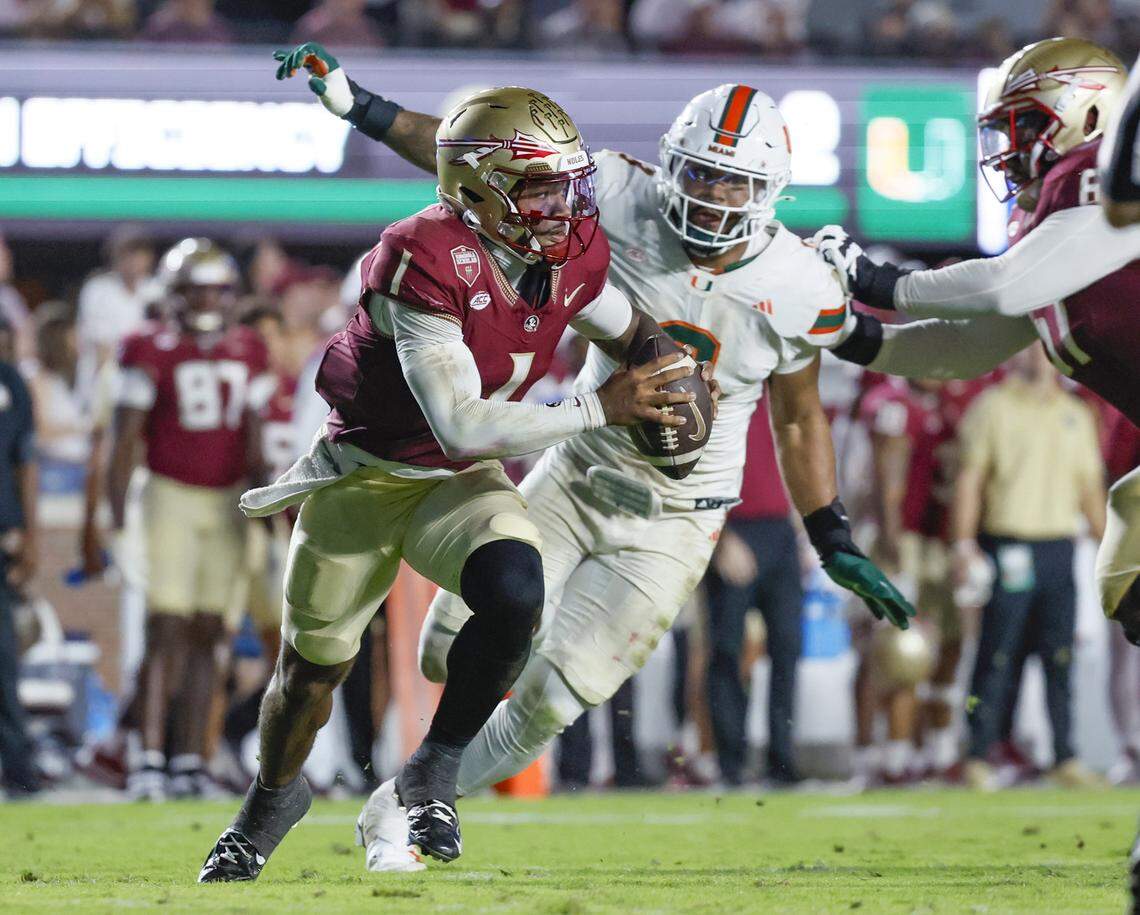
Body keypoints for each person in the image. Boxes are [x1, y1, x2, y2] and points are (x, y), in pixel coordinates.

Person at [270, 43, 913, 873]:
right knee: (445, 647)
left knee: (550, 701)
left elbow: (797, 419)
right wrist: (363, 106)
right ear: (671, 165)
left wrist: (831, 533)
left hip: (681, 515)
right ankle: (430, 764)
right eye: (701, 173)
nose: (713, 197)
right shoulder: (616, 190)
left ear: (771, 193)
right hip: (577, 469)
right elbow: (478, 154)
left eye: (734, 182)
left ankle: (405, 799)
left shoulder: (799, 282)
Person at [198, 84, 708, 881]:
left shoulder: (571, 256)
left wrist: (661, 359)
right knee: (308, 677)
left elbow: (629, 323)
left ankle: (434, 766)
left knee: (516, 591)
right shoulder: (423, 256)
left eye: (567, 183)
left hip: (456, 485)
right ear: (477, 188)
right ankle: (270, 800)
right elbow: (463, 424)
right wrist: (600, 406)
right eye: (539, 186)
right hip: (366, 479)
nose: (562, 203)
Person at [814, 37, 1140, 648]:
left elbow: (1000, 286)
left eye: (1027, 125)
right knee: (1128, 582)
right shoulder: (1059, 238)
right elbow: (970, 346)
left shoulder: (1108, 182)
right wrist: (855, 336)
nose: (1010, 149)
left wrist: (873, 279)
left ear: (1091, 117)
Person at [106, 238, 274, 802]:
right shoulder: (146, 346)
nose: (207, 299)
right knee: (165, 628)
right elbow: (125, 438)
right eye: (196, 289)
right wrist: (113, 516)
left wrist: (268, 498)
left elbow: (253, 438)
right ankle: (148, 758)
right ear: (175, 294)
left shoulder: (249, 347)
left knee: (211, 634)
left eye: (216, 289)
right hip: (169, 493)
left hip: (229, 499)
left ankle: (189, 761)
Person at [952, 345, 1106, 790]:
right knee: (997, 654)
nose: (1039, 359)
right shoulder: (992, 407)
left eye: (1045, 350)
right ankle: (978, 753)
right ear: (1015, 354)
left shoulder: (1076, 413)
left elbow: (1091, 490)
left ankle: (1065, 757)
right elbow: (970, 480)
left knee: (1060, 657)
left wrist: (1109, 549)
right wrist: (963, 545)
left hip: (1059, 548)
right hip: (1008, 546)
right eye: (1030, 349)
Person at [703, 400, 803, 786]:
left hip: (780, 529)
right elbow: (688, 469)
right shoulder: (711, 389)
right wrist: (720, 536)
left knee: (787, 647)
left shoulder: (778, 383)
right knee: (727, 648)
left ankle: (783, 760)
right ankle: (731, 763)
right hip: (735, 528)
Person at [0, 323, 39, 797]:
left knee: (3, 658)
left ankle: (20, 769)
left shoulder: (10, 383)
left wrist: (30, 535)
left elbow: (25, 461)